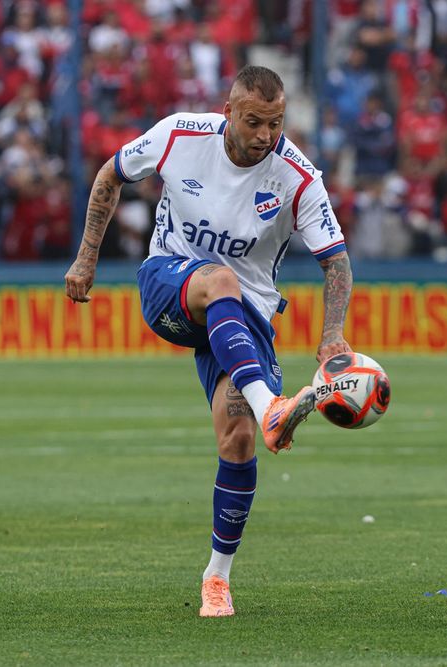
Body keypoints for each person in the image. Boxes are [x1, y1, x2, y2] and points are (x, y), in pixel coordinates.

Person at [64, 66, 353, 618]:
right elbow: (111, 173)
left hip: (244, 319)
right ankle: (274, 407)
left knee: (238, 439)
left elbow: (335, 261)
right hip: (169, 285)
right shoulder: (180, 134)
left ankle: (216, 578)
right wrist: (86, 258)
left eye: (276, 123)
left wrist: (332, 334)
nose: (266, 135)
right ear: (228, 112)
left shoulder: (298, 177)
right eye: (254, 122)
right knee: (219, 278)